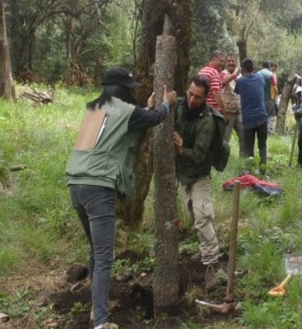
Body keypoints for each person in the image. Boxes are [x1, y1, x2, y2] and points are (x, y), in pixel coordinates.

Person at [66, 68, 176, 329]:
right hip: (98, 188)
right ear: (122, 90)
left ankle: (96, 309)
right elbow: (155, 118)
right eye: (131, 88)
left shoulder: (95, 109)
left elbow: (121, 132)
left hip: (76, 184)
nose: (133, 92)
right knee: (104, 257)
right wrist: (166, 104)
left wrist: (147, 108)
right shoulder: (126, 111)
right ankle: (102, 323)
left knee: (95, 251)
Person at [173, 74, 223, 290]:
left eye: (198, 97)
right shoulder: (178, 106)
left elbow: (201, 154)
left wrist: (181, 149)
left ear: (206, 98)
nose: (192, 100)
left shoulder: (207, 121)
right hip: (182, 173)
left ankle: (212, 265)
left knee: (202, 216)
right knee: (191, 214)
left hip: (199, 173)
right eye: (190, 94)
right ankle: (205, 247)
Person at [235, 58, 268, 170]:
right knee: (262, 144)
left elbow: (237, 91)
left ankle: (250, 170)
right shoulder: (260, 78)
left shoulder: (240, 81)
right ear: (253, 68)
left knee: (249, 147)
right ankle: (263, 168)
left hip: (248, 119)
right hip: (262, 116)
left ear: (243, 69)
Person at [221, 52, 242, 149]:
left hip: (239, 110)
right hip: (228, 111)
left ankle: (244, 158)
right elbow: (224, 81)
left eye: (232, 61)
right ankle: (221, 160)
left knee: (243, 135)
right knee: (225, 137)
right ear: (225, 63)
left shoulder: (240, 75)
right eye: (228, 61)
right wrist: (234, 75)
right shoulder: (223, 73)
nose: (231, 63)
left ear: (236, 62)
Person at [198, 50, 227, 114]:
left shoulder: (202, 71)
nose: (222, 64)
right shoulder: (214, 72)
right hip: (213, 111)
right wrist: (224, 111)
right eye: (221, 61)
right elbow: (216, 93)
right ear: (213, 59)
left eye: (223, 62)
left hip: (202, 108)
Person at [258, 61, 276, 134]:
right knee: (270, 115)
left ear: (262, 66)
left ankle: (260, 131)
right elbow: (275, 87)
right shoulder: (271, 75)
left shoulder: (257, 74)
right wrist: (275, 97)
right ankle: (269, 132)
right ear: (269, 66)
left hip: (259, 99)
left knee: (261, 115)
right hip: (269, 99)